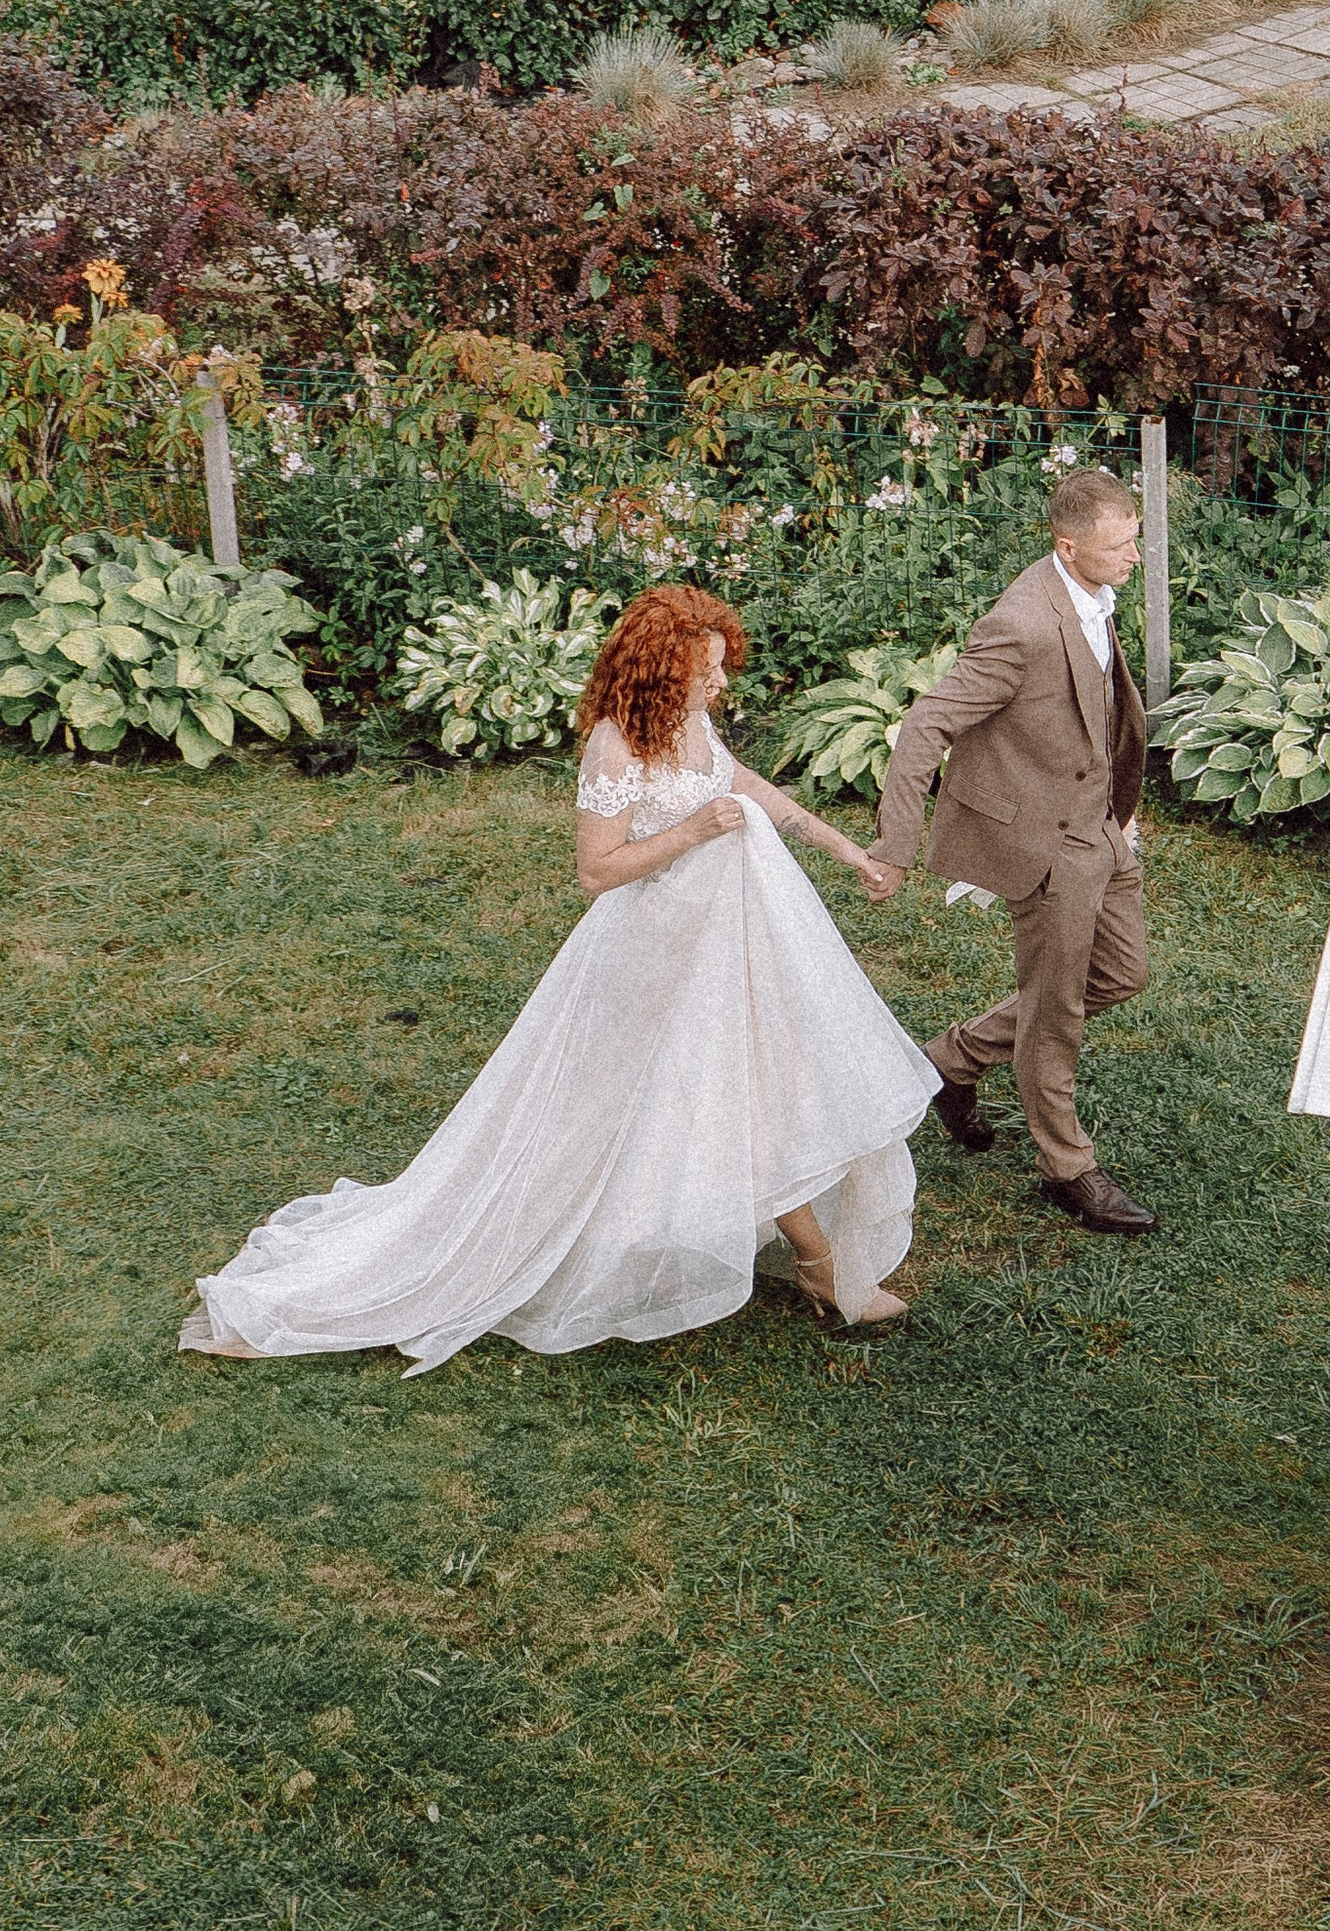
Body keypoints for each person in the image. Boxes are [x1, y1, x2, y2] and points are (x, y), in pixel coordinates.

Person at [180, 584, 938, 1367]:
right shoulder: (615, 747)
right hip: (660, 951)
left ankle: (813, 1262)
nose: (721, 685)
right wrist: (691, 830)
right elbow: (596, 872)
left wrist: (850, 853)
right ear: (660, 671)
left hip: (735, 936)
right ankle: (816, 1266)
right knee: (690, 1097)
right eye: (706, 671)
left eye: (719, 669)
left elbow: (745, 789)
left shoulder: (693, 721)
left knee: (761, 1084)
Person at [864, 464, 1156, 1236]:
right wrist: (895, 845)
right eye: (1121, 546)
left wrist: (1116, 809)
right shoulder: (1021, 625)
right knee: (1055, 1013)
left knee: (1123, 974)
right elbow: (927, 724)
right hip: (1045, 845)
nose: (1136, 557)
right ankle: (1068, 1168)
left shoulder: (1091, 592)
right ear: (1068, 547)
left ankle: (946, 1063)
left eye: (1136, 539)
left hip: (1099, 826)